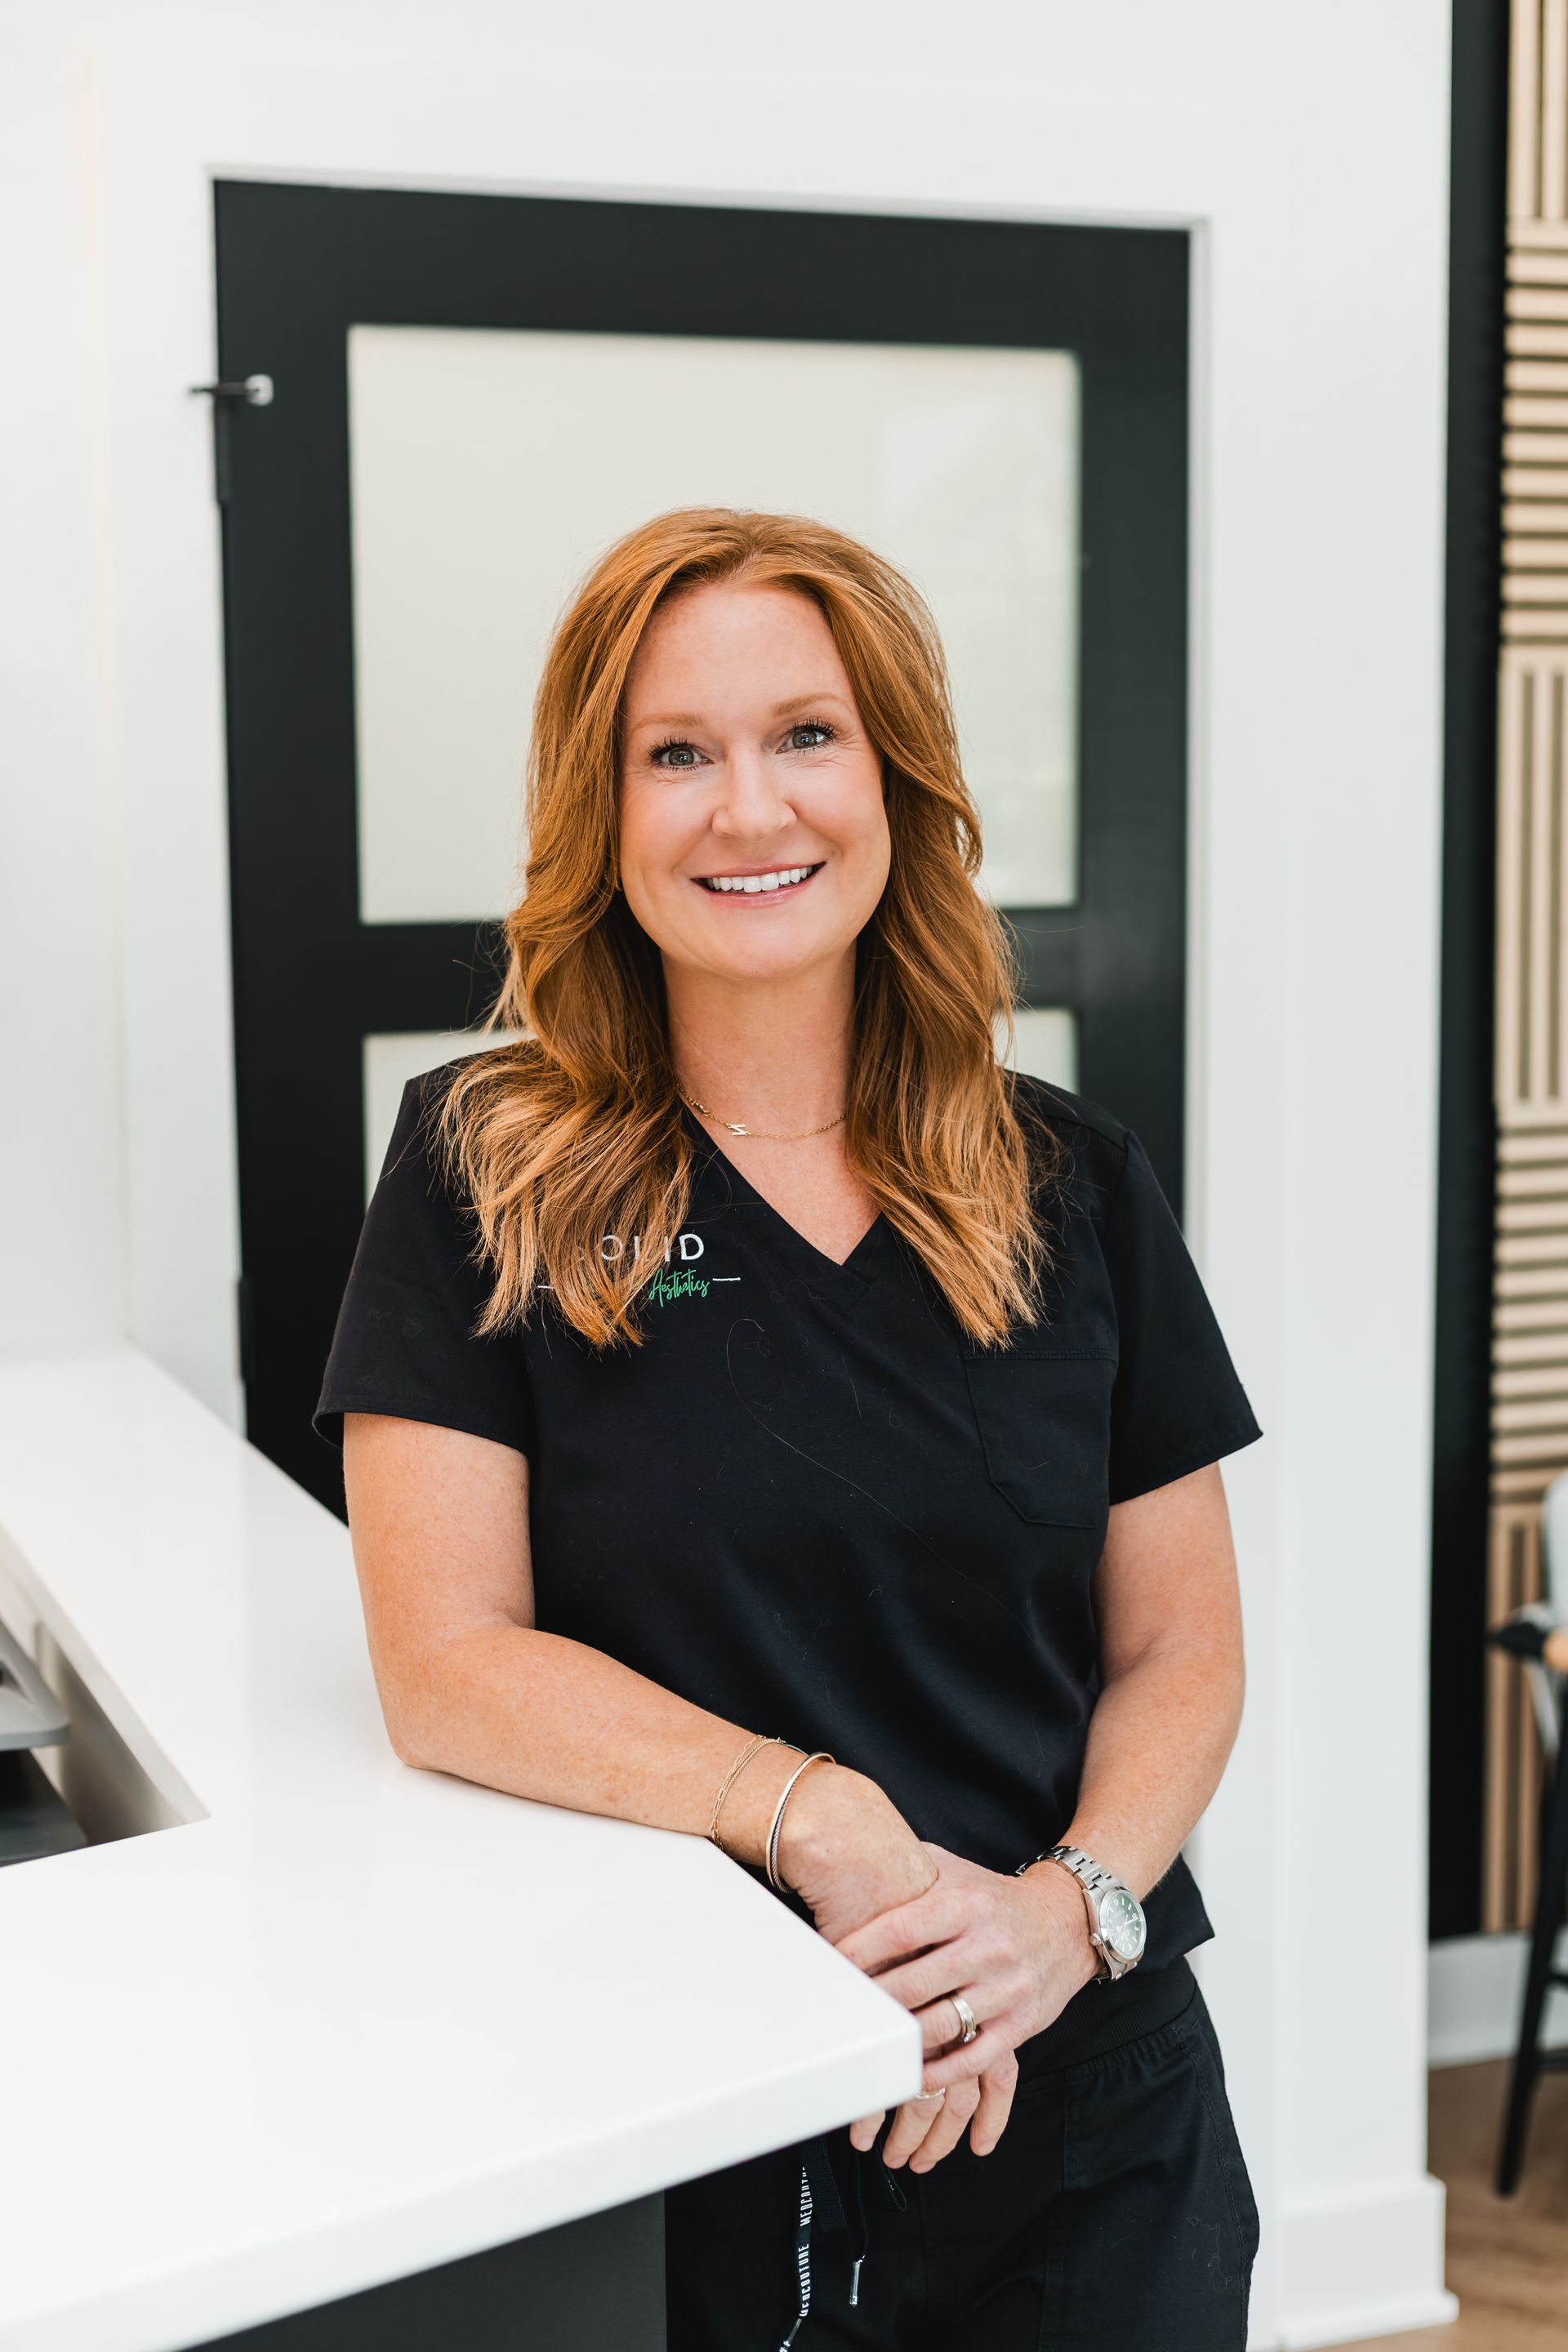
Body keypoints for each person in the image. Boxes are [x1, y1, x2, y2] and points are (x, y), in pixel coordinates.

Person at [315, 506, 1263, 2350]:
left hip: (1084, 2106)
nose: (751, 810)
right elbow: (445, 1660)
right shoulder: (479, 1169)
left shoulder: (1071, 1179)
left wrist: (1058, 1923)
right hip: (695, 2119)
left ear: (896, 780)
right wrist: (814, 1812)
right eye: (678, 754)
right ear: (605, 815)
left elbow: (1182, 1648)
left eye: (806, 736)